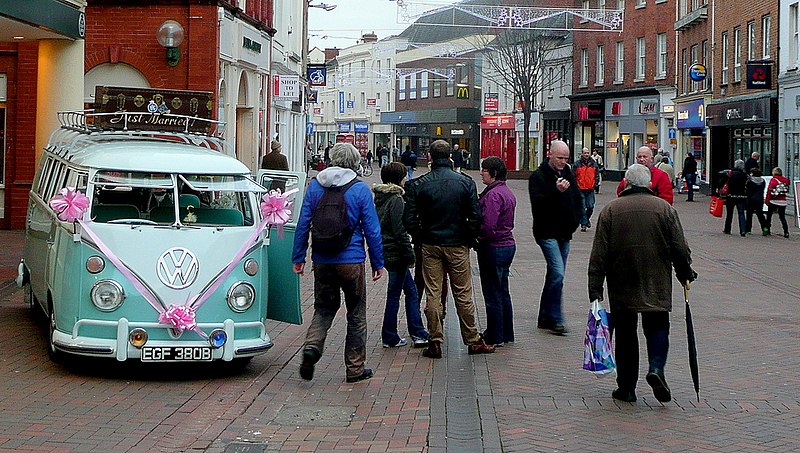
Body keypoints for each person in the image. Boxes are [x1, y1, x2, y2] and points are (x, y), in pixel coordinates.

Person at [588, 164, 696, 403]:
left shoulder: (611, 210)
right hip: (655, 279)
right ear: (649, 184)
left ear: (626, 182)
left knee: (626, 334)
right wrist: (685, 272)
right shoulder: (664, 209)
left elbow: (599, 254)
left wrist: (595, 288)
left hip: (621, 281)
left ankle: (626, 387)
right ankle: (656, 368)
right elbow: (679, 247)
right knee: (658, 326)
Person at [292, 142, 385, 383]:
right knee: (356, 313)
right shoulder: (360, 190)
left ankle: (312, 347)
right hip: (351, 261)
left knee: (323, 308)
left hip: (322, 259)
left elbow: (303, 224)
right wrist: (378, 262)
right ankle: (355, 369)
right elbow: (372, 230)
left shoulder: (315, 187)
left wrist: (299, 257)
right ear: (355, 162)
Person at [403, 139, 495, 359]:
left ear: (430, 158)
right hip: (457, 243)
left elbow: (408, 218)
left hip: (430, 243)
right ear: (450, 158)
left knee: (433, 292)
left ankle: (435, 340)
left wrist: (420, 236)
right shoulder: (465, 183)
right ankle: (472, 339)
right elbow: (475, 216)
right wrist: (468, 237)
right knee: (463, 292)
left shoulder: (418, 184)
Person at [528, 140, 582, 335]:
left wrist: (576, 221)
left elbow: (577, 199)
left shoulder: (569, 173)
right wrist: (555, 191)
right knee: (558, 273)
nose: (562, 162)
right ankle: (556, 318)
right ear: (550, 154)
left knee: (554, 275)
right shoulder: (539, 177)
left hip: (564, 233)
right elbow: (538, 204)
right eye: (559, 158)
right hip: (546, 233)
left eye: (566, 158)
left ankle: (545, 316)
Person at [373, 163, 430, 349]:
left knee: (408, 290)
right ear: (399, 178)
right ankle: (406, 333)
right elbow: (399, 230)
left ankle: (411, 332)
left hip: (386, 249)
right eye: (404, 176)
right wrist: (410, 254)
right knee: (399, 293)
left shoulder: (380, 197)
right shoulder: (396, 199)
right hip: (396, 252)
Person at [477, 157, 517, 346]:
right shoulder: (506, 192)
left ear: (493, 173)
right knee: (503, 291)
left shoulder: (493, 195)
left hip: (494, 247)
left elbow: (488, 225)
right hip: (507, 244)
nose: (481, 173)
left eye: (484, 170)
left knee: (492, 291)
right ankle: (506, 332)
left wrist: (478, 238)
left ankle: (495, 334)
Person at [574, 147, 600, 232]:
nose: (586, 154)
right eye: (585, 153)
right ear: (582, 154)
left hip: (590, 189)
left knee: (590, 206)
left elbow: (596, 175)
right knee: (582, 207)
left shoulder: (593, 163)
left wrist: (595, 184)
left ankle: (586, 220)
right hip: (580, 189)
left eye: (587, 153)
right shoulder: (577, 164)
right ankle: (584, 224)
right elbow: (573, 176)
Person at [723, 159, 748, 237]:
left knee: (729, 213)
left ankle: (727, 229)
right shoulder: (744, 175)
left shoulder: (730, 174)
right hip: (741, 196)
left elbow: (723, 182)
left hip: (731, 195)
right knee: (741, 213)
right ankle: (743, 230)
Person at [765, 167, 791, 238]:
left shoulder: (773, 180)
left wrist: (767, 200)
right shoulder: (786, 180)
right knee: (782, 217)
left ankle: (767, 230)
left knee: (769, 216)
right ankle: (786, 232)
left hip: (773, 200)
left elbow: (769, 191)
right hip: (783, 201)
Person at [745, 168, 769, 236]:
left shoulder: (750, 181)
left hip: (751, 199)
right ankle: (765, 228)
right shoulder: (763, 181)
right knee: (760, 214)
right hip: (759, 199)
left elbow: (747, 190)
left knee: (749, 214)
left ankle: (748, 229)